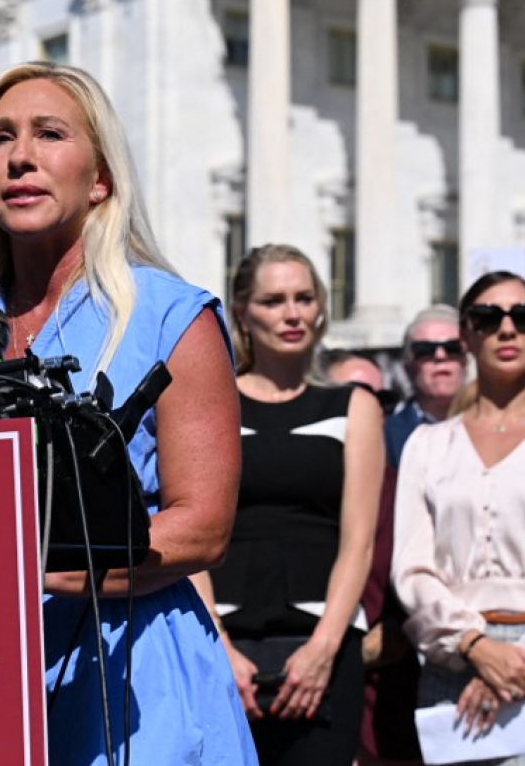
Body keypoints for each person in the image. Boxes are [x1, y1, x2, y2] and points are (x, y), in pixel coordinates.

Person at [0, 61, 255, 763]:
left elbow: (202, 529)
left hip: (137, 681)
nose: (20, 155)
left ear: (100, 179)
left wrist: (32, 568)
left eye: (49, 134)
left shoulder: (171, 315)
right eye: (0, 138)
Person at [200, 244, 384, 764]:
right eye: (273, 300)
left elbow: (359, 541)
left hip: (323, 646)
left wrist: (324, 649)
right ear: (241, 311)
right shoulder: (210, 403)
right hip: (224, 646)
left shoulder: (355, 406)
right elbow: (190, 528)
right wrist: (219, 649)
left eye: (304, 298)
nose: (292, 313)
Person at [393, 271, 525, 756]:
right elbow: (411, 567)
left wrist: (515, 663)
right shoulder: (428, 446)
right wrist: (475, 645)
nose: (508, 330)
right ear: (467, 335)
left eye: (524, 316)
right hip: (450, 657)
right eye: (489, 317)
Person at [322, 353, 422, 765]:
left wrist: (402, 628)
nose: (374, 408)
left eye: (384, 398)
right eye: (359, 395)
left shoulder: (408, 486)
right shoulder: (291, 492)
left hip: (391, 712)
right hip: (304, 694)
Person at [383, 305, 465, 468]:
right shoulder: (384, 435)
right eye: (425, 350)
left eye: (452, 348)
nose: (440, 356)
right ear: (407, 366)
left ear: (467, 361)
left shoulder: (497, 425)